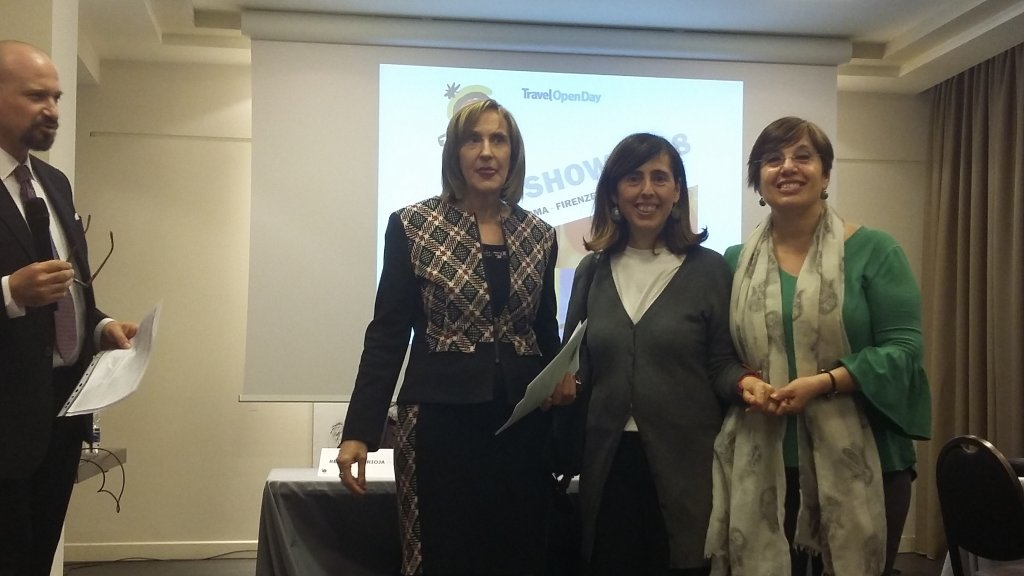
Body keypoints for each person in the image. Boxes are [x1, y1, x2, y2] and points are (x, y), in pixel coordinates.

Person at [337, 99, 565, 576]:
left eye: (498, 140)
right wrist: (359, 430)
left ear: (513, 153)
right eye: (472, 140)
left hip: (522, 427)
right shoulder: (413, 226)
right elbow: (387, 334)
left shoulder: (540, 234)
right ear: (454, 153)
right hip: (438, 424)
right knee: (442, 556)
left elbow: (545, 331)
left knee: (519, 554)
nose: (487, 152)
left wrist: (564, 375)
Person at [705, 117, 932, 576]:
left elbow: (904, 350)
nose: (788, 167)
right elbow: (722, 357)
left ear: (825, 174)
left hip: (868, 460)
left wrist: (825, 382)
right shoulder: (733, 261)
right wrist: (748, 384)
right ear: (758, 181)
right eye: (773, 159)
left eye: (803, 156)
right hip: (761, 461)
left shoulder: (875, 250)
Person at [558, 133, 754, 576]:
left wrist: (746, 385)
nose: (647, 190)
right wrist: (562, 385)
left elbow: (721, 364)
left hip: (687, 465)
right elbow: (574, 364)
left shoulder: (710, 270)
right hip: (608, 465)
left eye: (660, 178)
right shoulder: (591, 271)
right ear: (613, 192)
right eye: (633, 178)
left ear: (677, 191)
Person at [0, 40, 139, 576]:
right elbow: (24, 290)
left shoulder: (52, 183)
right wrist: (8, 292)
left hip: (60, 416)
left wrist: (99, 327)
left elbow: (71, 289)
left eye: (56, 97)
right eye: (36, 96)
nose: (52, 109)